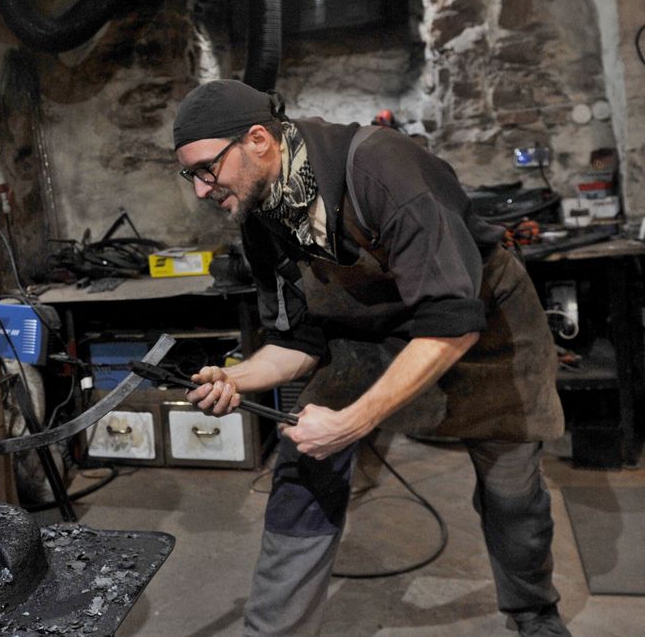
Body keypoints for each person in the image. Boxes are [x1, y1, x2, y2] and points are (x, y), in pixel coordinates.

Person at [172, 80, 569, 637]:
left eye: (207, 169)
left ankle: (534, 613)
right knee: (303, 464)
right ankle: (273, 632)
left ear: (258, 139)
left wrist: (353, 423)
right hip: (371, 331)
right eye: (190, 175)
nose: (200, 189)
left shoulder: (381, 167)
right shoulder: (262, 216)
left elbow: (451, 321)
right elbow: (298, 341)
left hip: (484, 324)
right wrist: (235, 378)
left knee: (511, 488)